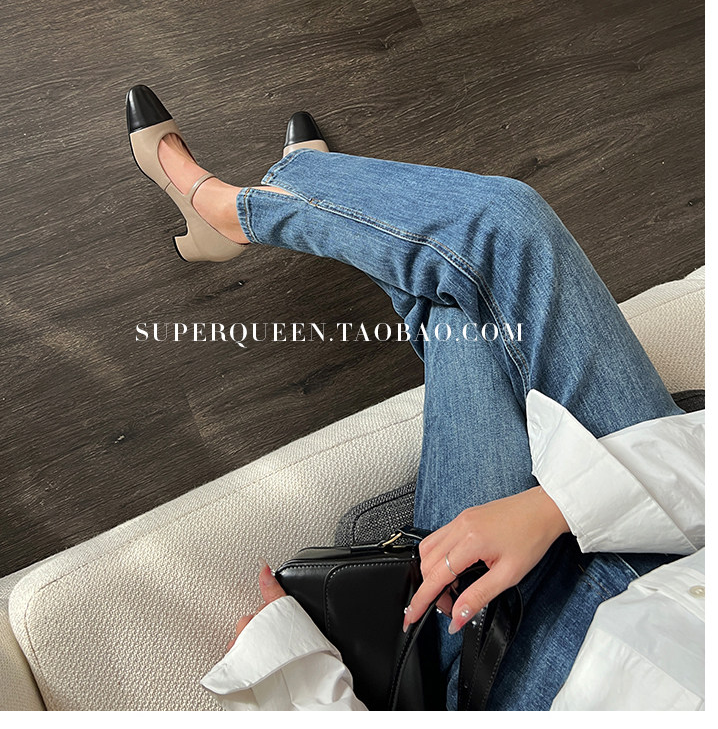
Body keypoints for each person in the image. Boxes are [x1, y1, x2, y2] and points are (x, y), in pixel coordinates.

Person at [126, 85, 705, 711]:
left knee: (462, 309)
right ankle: (257, 207)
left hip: (496, 660)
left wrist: (298, 680)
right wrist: (558, 507)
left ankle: (286, 201)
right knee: (507, 223)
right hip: (666, 521)